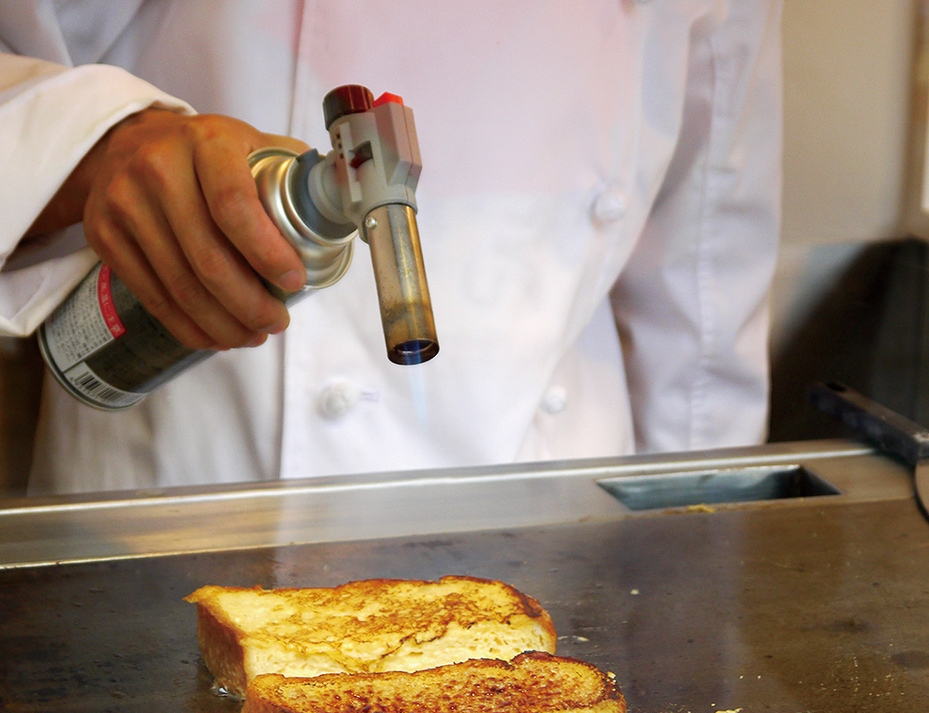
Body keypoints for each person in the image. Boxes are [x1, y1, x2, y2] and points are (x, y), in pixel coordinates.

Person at [0, 1, 782, 495]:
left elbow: (706, 271)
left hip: (544, 505)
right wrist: (98, 141)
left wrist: (693, 543)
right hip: (186, 497)